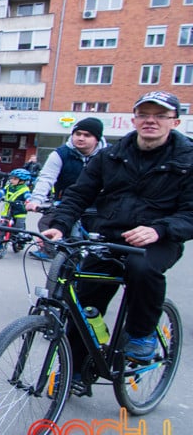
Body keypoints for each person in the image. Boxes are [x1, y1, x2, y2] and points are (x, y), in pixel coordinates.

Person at [42, 91, 193, 364]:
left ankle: (141, 335)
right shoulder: (111, 155)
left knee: (142, 268)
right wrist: (59, 225)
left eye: (160, 116)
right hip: (111, 236)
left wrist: (159, 230)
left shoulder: (188, 158)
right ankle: (78, 368)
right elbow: (79, 194)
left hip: (159, 239)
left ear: (175, 122)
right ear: (134, 120)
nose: (151, 121)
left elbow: (190, 213)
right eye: (144, 115)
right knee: (84, 301)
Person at [26, 116, 105, 260]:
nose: (81, 138)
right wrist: (36, 200)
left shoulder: (108, 155)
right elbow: (47, 177)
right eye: (77, 134)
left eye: (87, 135)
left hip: (98, 206)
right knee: (47, 222)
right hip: (67, 202)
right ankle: (51, 251)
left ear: (97, 139)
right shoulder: (60, 154)